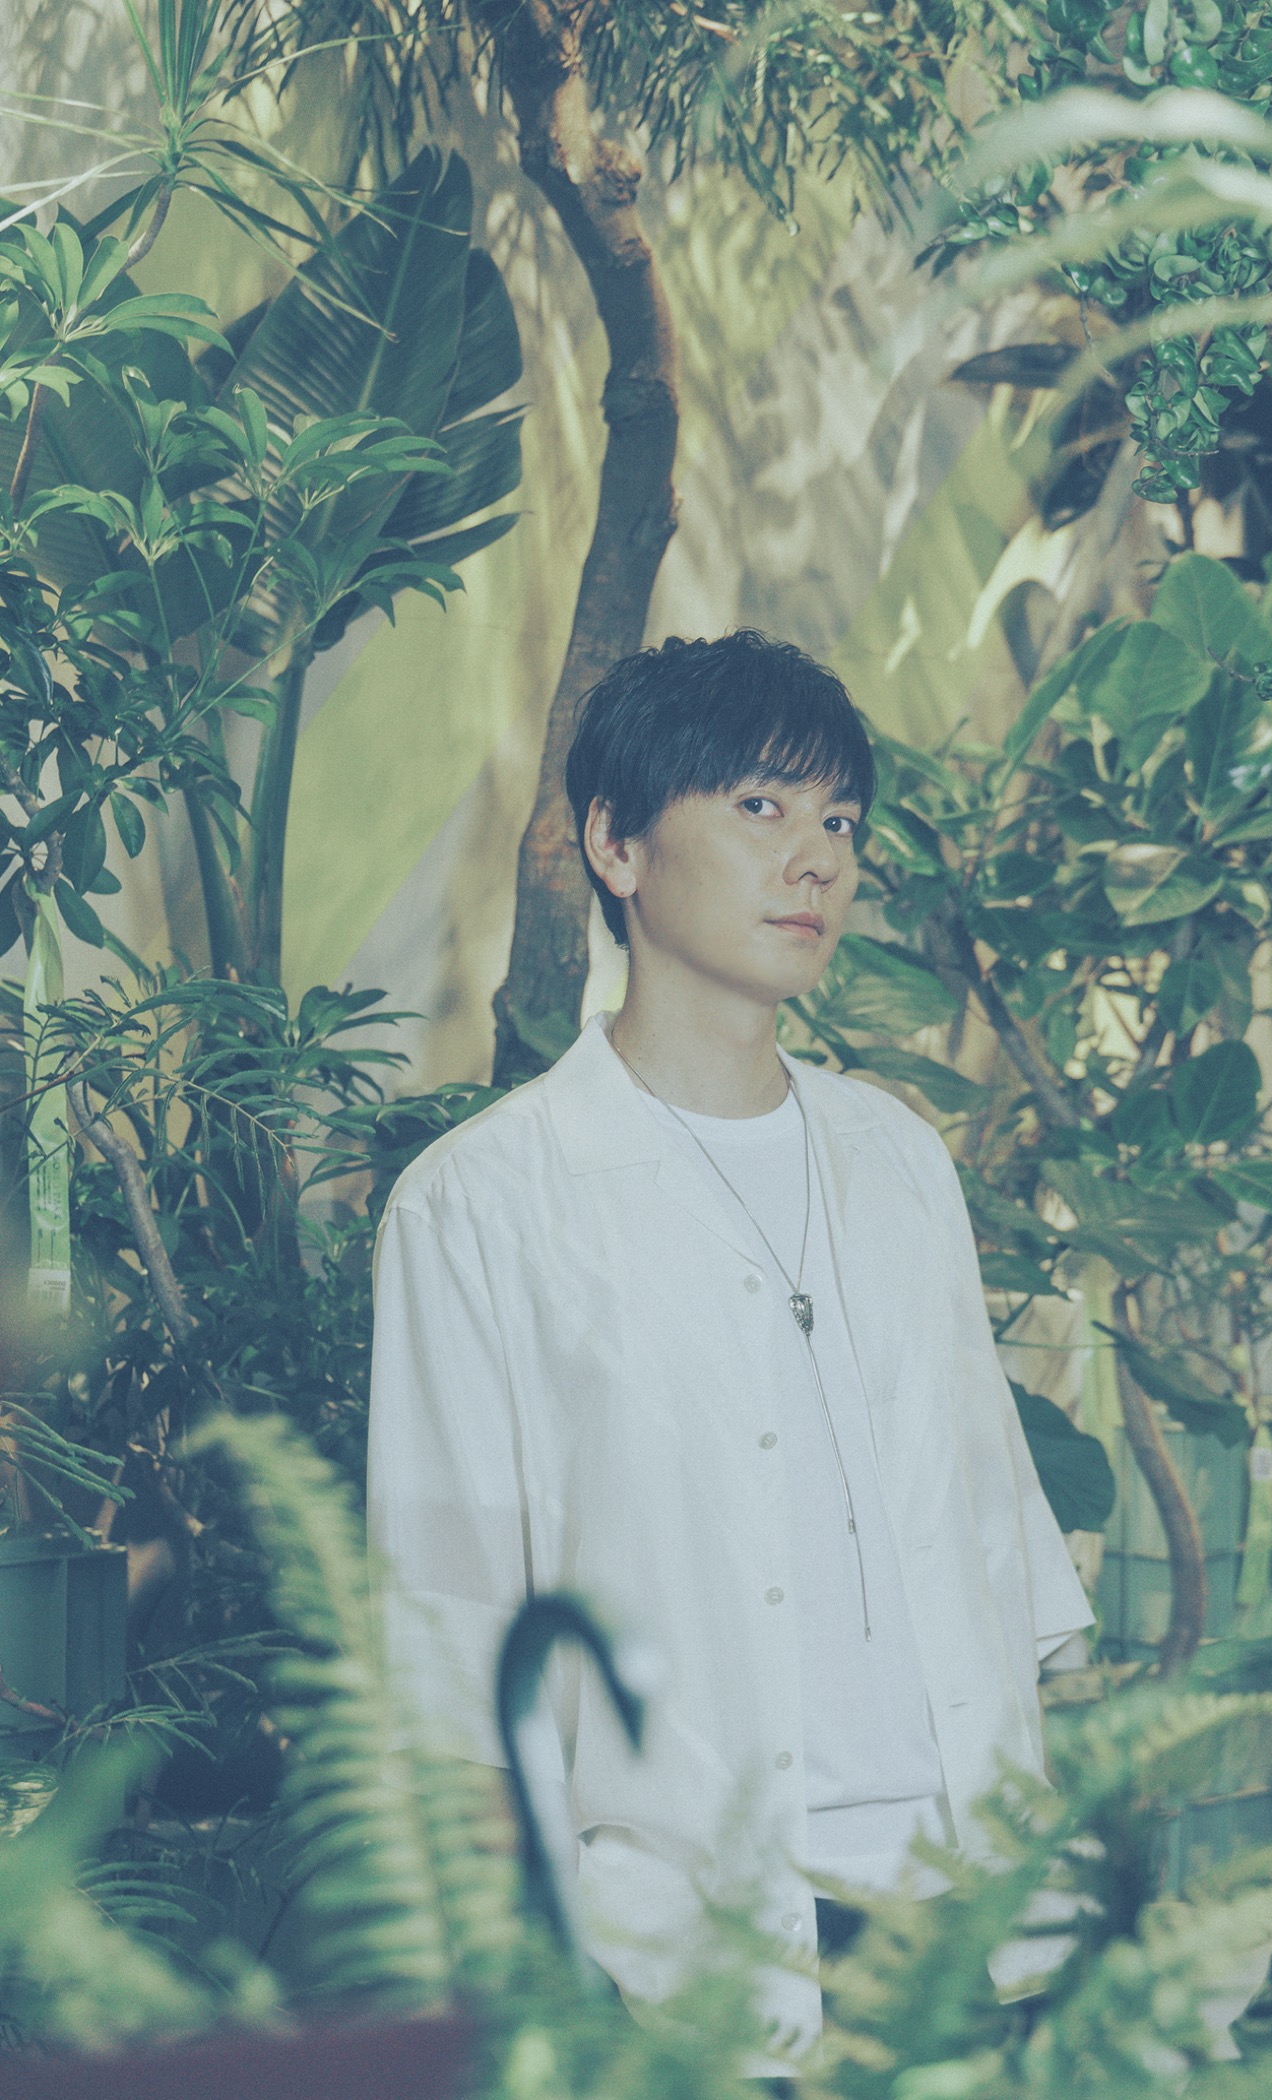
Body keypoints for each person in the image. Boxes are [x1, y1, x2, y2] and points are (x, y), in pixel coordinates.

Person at [366, 630, 1092, 2071]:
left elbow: (1001, 1551)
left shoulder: (899, 1159)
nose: (815, 860)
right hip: (687, 1955)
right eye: (760, 807)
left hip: (975, 1918)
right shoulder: (483, 1204)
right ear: (616, 846)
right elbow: (453, 1646)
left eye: (841, 821)